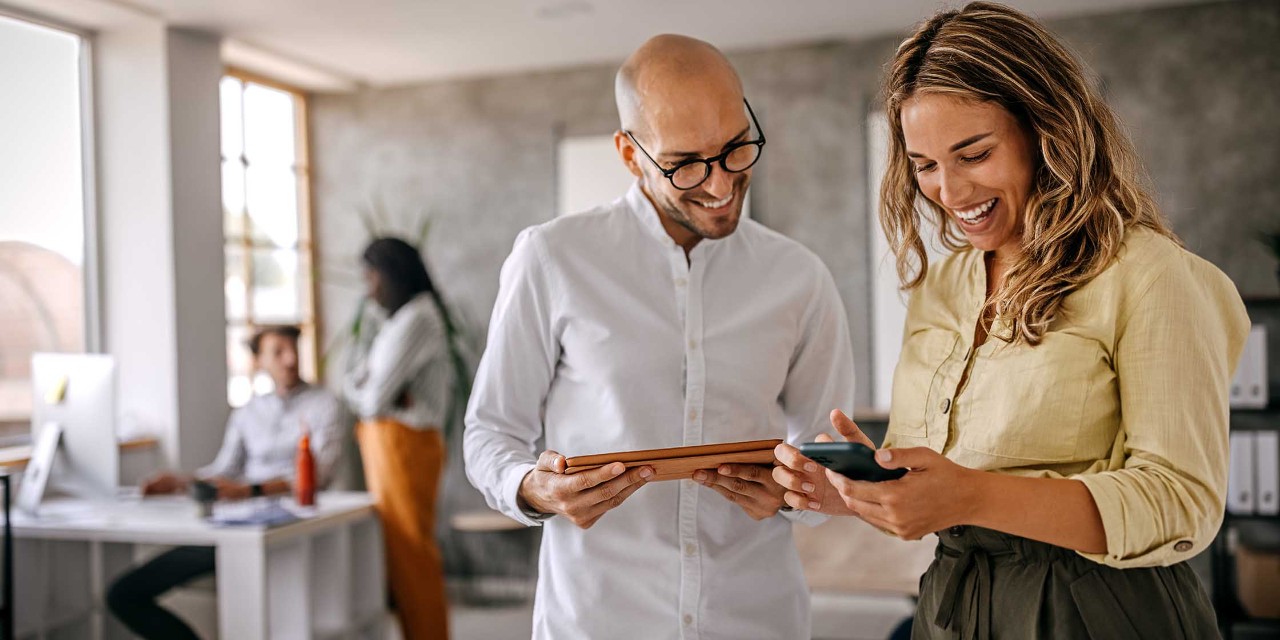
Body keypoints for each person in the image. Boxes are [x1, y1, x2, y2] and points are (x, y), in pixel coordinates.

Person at [772, 3, 1250, 638]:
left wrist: (971, 495)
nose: (949, 190)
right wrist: (858, 491)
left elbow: (1180, 502)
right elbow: (938, 484)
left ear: (1045, 131)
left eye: (973, 153)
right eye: (924, 165)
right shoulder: (940, 287)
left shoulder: (1149, 275)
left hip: (1103, 609)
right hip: (954, 604)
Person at [464, 34, 855, 639]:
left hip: (756, 617)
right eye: (686, 164)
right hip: (598, 619)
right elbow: (491, 431)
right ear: (629, 154)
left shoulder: (800, 278)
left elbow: (829, 454)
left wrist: (798, 491)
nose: (721, 186)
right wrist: (535, 489)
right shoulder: (552, 258)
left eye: (735, 149)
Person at [107, 325, 345, 640]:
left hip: (291, 529)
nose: (289, 359)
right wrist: (180, 482)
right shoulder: (248, 412)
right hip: (237, 526)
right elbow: (225, 470)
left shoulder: (325, 405)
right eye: (278, 351)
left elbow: (318, 474)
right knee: (124, 594)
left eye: (293, 350)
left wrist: (249, 491)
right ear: (259, 361)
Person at [344, 237, 456, 640]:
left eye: (371, 275)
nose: (368, 287)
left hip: (406, 446)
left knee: (413, 554)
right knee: (401, 556)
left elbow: (369, 398)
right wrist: (371, 390)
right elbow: (359, 384)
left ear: (392, 273)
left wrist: (370, 391)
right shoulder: (398, 321)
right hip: (391, 445)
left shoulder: (417, 319)